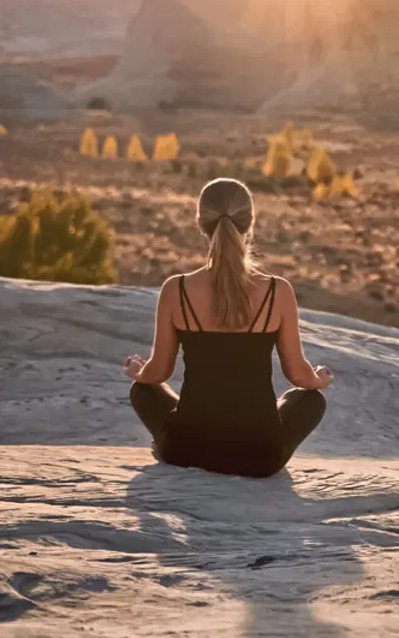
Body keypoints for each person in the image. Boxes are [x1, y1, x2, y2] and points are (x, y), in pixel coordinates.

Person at [124, 177, 332, 477]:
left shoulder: (176, 289)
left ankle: (180, 435)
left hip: (186, 449)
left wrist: (138, 373)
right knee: (310, 401)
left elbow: (159, 373)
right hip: (260, 456)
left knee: (142, 391)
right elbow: (298, 375)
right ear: (249, 223)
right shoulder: (278, 291)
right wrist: (320, 379)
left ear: (201, 223)